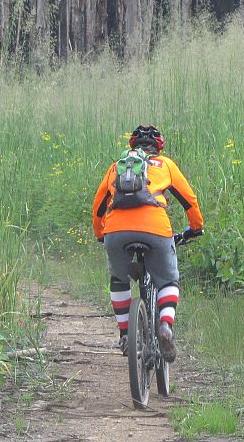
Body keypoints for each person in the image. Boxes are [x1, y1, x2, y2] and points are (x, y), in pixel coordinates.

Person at [91, 125, 204, 363]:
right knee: (168, 280)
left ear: (132, 146)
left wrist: (101, 234)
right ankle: (165, 326)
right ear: (158, 147)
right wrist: (195, 228)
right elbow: (189, 200)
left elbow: (99, 205)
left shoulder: (117, 167)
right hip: (155, 228)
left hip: (116, 230)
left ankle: (125, 334)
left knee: (119, 280)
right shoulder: (166, 165)